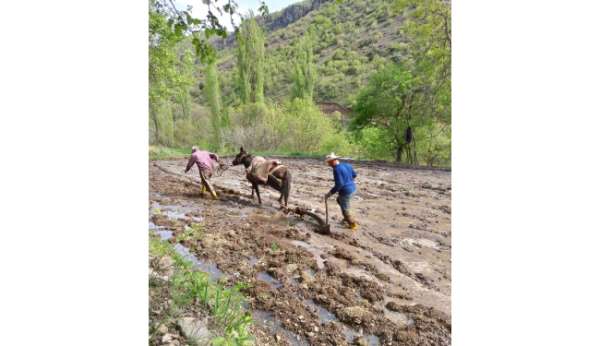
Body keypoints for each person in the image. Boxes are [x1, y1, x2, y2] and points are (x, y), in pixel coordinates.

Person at [323, 152, 358, 231]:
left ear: (333, 161)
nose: (329, 165)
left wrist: (329, 194)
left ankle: (352, 225)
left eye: (329, 162)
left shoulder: (336, 169)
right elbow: (354, 175)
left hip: (346, 192)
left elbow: (339, 185)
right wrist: (348, 181)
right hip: (353, 189)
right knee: (339, 200)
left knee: (345, 210)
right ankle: (346, 218)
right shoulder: (347, 165)